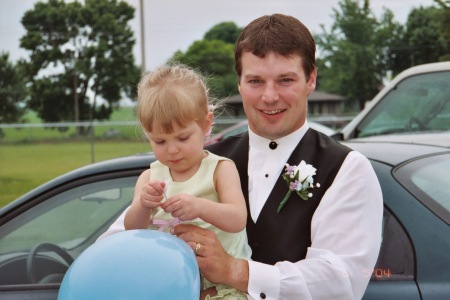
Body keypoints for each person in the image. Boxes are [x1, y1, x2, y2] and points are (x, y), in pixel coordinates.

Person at [101, 14, 383, 300]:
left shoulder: (347, 169)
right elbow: (113, 247)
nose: (269, 96)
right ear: (239, 83)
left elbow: (340, 280)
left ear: (311, 79)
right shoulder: (196, 162)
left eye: (285, 80)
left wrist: (237, 271)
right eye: (255, 81)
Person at [99, 64, 252, 299]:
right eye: (159, 141)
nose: (172, 150)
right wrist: (143, 204)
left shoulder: (220, 169)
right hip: (168, 284)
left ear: (206, 123)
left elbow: (237, 219)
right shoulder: (150, 177)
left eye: (182, 137)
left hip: (222, 286)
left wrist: (199, 206)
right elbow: (133, 230)